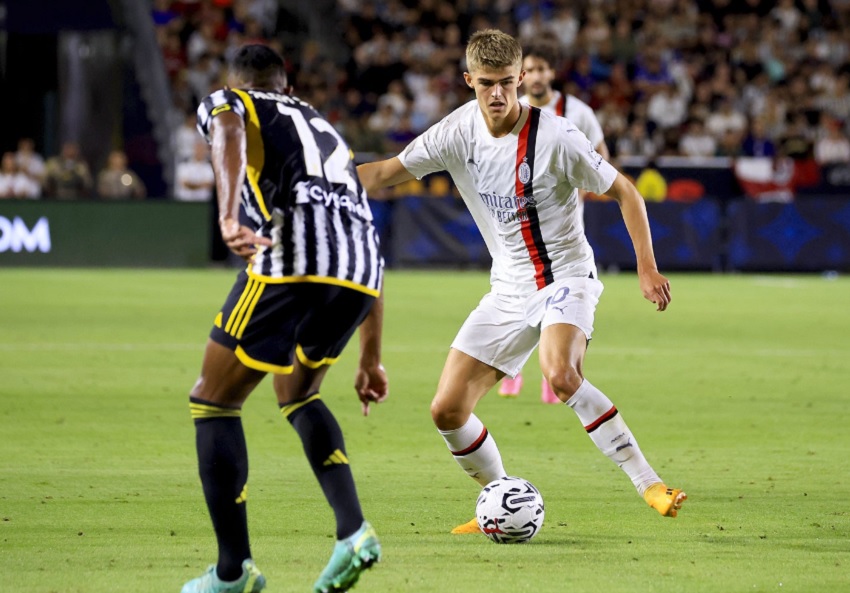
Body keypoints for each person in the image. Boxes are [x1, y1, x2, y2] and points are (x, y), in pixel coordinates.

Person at [357, 29, 685, 536]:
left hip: (566, 276)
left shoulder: (556, 136)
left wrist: (646, 266)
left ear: (521, 80)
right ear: (469, 80)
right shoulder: (456, 132)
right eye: (486, 83)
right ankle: (501, 497)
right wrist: (317, 181)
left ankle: (649, 483)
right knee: (446, 409)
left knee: (559, 373)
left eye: (507, 83)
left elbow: (627, 193)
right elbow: (382, 174)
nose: (498, 95)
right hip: (508, 287)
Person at [182, 44, 386, 593]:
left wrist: (226, 214)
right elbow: (366, 232)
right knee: (296, 392)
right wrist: (370, 358)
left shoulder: (233, 102)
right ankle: (353, 532)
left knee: (213, 399)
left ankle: (232, 572)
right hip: (362, 270)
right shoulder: (327, 130)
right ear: (288, 87)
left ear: (242, 85)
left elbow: (224, 128)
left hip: (295, 256)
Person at [508, 39, 610, 403]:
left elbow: (601, 157)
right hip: (518, 227)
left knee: (558, 302)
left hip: (564, 231)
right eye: (530, 69)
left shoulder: (576, 112)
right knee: (516, 294)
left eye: (541, 69)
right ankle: (512, 371)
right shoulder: (510, 111)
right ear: (521, 75)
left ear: (552, 72)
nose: (536, 76)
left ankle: (552, 372)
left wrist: (578, 187)